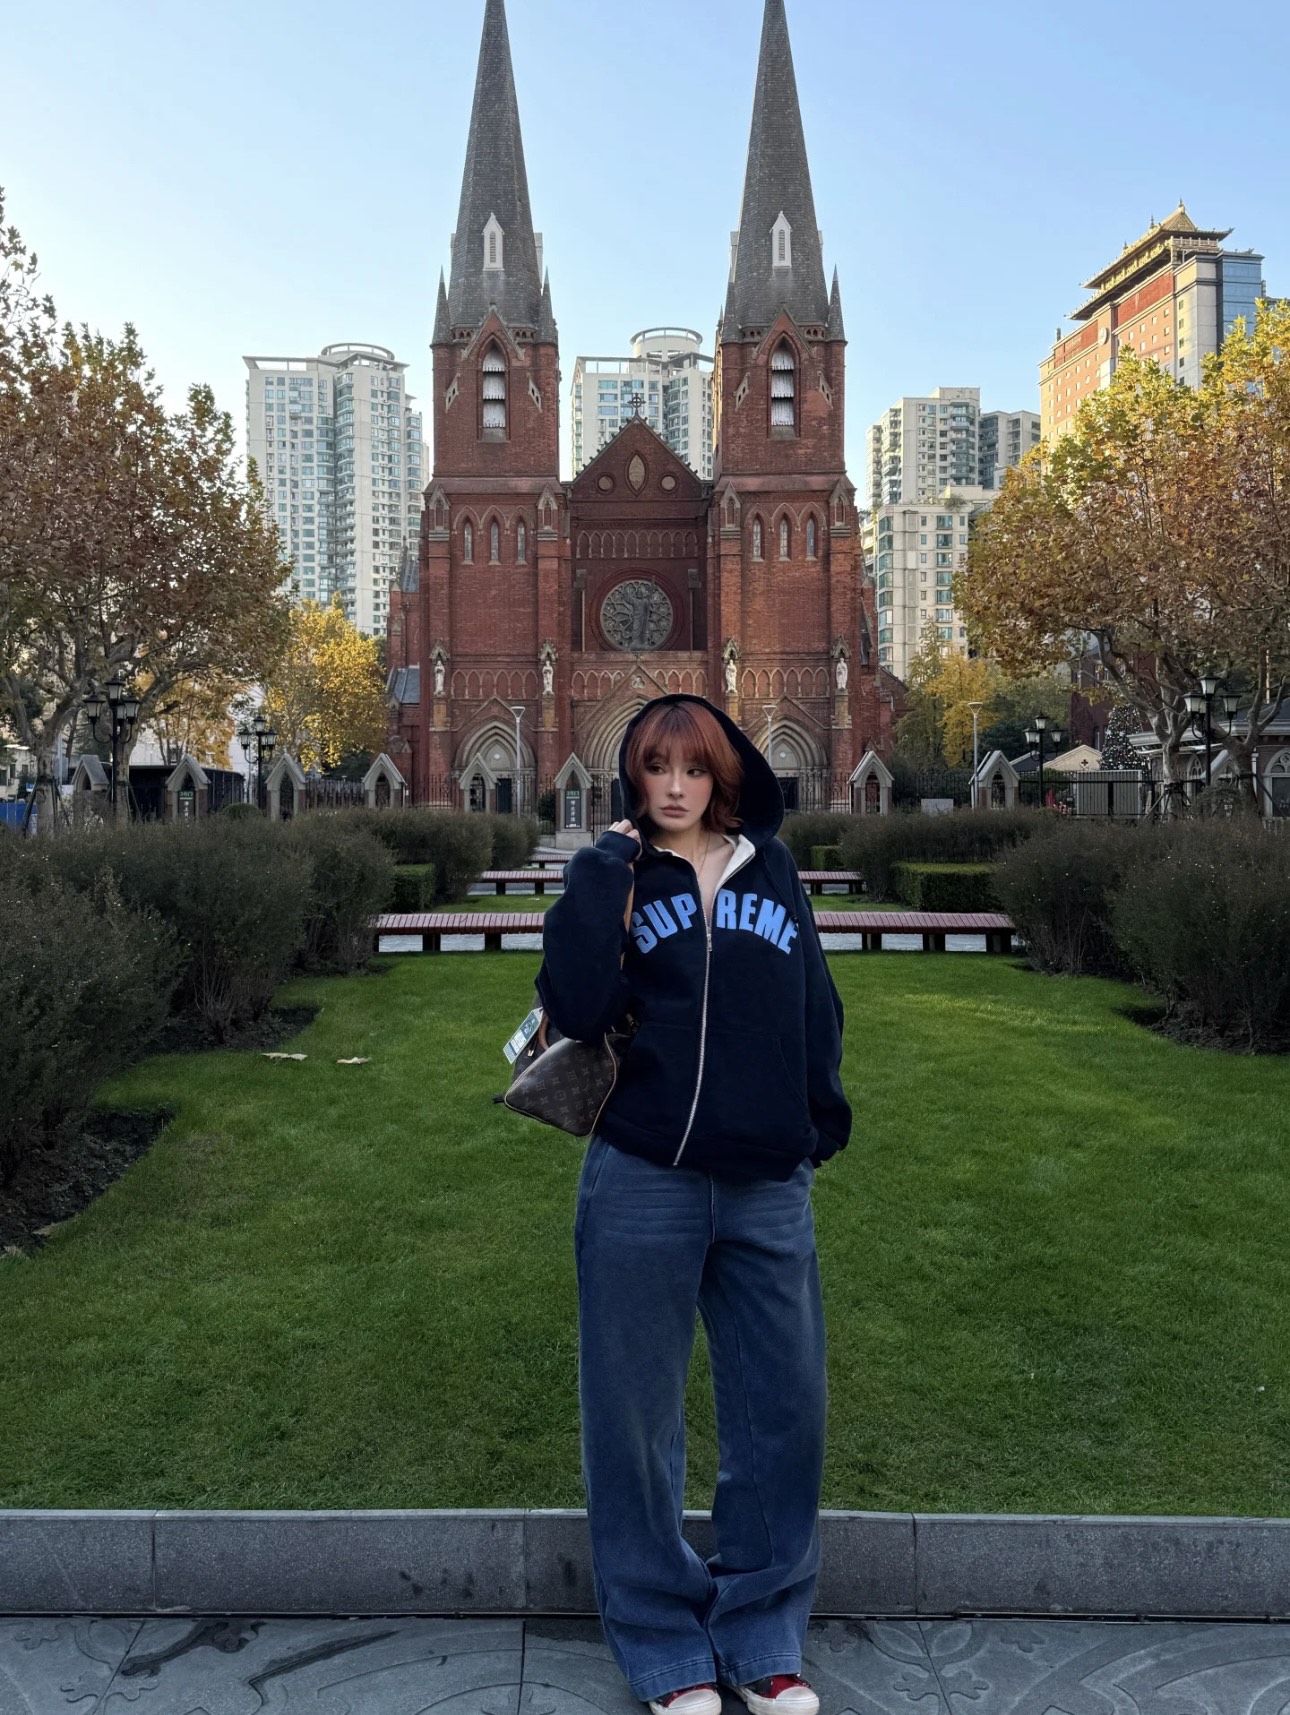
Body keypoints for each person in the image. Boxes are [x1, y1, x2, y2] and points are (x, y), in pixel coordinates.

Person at [537, 693, 851, 1715]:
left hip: (766, 1182)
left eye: (694, 767)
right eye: (655, 767)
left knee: (782, 1413)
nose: (674, 786)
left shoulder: (772, 869)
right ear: (632, 775)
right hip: (644, 1175)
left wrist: (816, 1121)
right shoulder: (619, 872)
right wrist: (600, 873)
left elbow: (813, 1001)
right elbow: (576, 1004)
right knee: (632, 1421)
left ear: (725, 775)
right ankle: (665, 1645)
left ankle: (763, 1636)